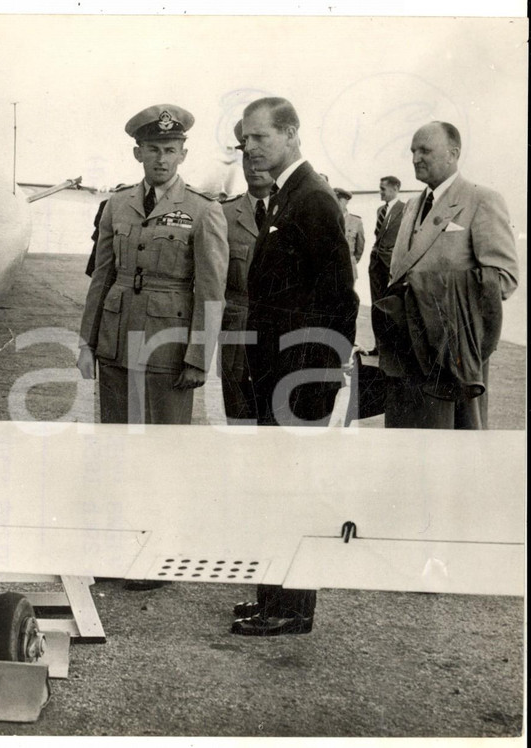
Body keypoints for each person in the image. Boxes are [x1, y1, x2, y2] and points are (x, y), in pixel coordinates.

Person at [231, 96, 359, 637]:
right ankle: (274, 598)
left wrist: (315, 385)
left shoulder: (313, 200)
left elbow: (340, 302)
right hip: (279, 374)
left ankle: (290, 609)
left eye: (259, 137)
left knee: (292, 492)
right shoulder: (287, 198)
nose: (250, 149)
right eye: (244, 141)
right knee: (276, 491)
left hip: (299, 379)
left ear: (290, 133)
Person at [77, 105, 228, 426]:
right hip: (115, 344)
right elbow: (102, 278)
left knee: (164, 447)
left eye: (170, 151)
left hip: (168, 350)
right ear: (138, 153)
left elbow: (211, 291)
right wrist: (87, 345)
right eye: (153, 150)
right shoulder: (117, 204)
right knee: (115, 438)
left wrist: (198, 359)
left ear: (182, 155)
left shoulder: (202, 209)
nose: (162, 159)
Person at [376, 122, 519, 429]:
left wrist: (439, 299)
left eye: (425, 150)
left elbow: (503, 278)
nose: (416, 158)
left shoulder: (481, 199)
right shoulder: (412, 205)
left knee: (451, 448)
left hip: (452, 353)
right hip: (405, 349)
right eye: (413, 151)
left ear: (453, 153)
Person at [219, 120, 274, 423]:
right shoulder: (224, 215)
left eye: (260, 157)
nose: (252, 166)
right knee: (238, 423)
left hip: (281, 341)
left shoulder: (297, 212)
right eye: (246, 158)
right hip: (236, 341)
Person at [363, 176, 405, 355]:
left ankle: (393, 349)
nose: (380, 192)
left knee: (393, 307)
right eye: (380, 189)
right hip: (376, 264)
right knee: (376, 305)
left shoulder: (405, 210)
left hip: (392, 266)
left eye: (383, 189)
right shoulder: (380, 210)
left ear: (395, 189)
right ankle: (379, 347)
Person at [334, 187, 365, 279]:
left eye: (339, 200)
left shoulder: (356, 221)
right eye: (333, 200)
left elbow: (360, 247)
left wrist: (351, 260)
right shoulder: (326, 220)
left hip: (349, 267)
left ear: (346, 201)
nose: (336, 203)